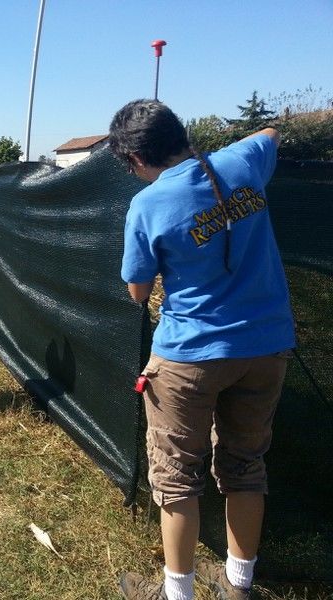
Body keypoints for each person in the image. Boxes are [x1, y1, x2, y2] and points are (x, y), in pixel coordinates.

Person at [108, 99, 295, 600]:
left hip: (189, 356)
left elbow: (138, 292)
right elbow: (273, 133)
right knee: (246, 465)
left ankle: (178, 593)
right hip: (267, 346)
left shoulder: (147, 205)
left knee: (175, 477)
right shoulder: (242, 162)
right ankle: (239, 583)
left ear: (135, 160)